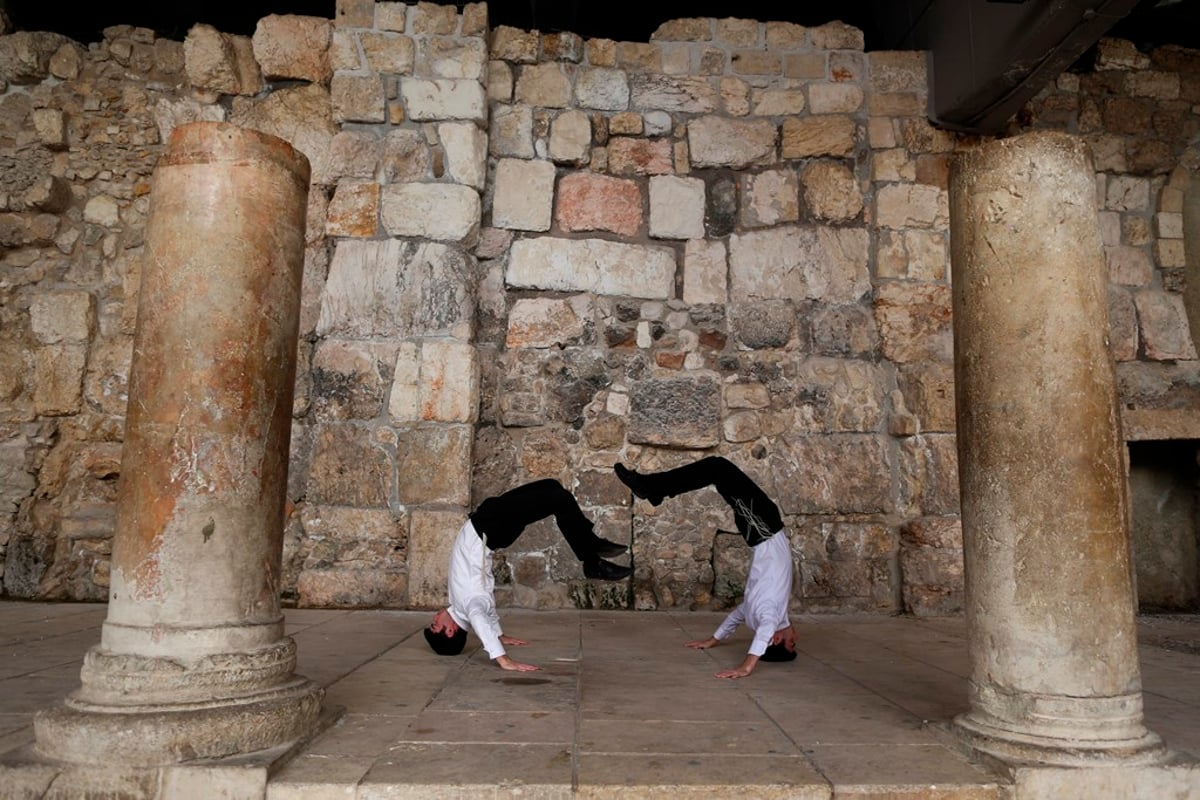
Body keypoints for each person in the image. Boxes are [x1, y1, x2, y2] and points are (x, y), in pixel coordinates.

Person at [614, 456, 797, 679]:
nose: (794, 637)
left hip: (764, 529)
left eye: (791, 642)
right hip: (763, 529)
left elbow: (763, 633)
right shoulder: (759, 614)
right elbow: (734, 619)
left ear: (776, 640)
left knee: (717, 468)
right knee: (716, 471)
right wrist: (713, 640)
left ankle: (652, 488)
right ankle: (654, 489)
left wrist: (746, 667)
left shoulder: (768, 615)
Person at [423, 478, 632, 671]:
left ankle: (591, 552)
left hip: (489, 518)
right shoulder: (470, 605)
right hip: (492, 524)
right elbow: (480, 619)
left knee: (553, 486)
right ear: (449, 631)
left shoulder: (459, 606)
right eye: (435, 625)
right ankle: (591, 557)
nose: (434, 618)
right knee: (559, 498)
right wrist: (503, 659)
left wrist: (499, 635)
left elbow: (486, 616)